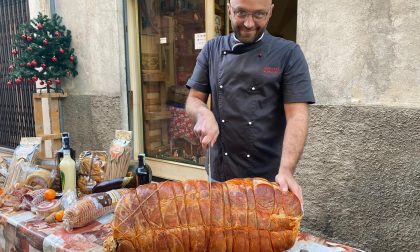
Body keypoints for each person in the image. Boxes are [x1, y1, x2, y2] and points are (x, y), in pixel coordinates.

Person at [185, 0, 315, 206]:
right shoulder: (212, 49)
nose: (248, 23)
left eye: (259, 15)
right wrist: (203, 113)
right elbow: (193, 99)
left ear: (271, 12)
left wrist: (287, 170)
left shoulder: (289, 54)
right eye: (241, 13)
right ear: (229, 10)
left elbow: (297, 116)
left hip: (267, 179)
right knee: (220, 235)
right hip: (220, 173)